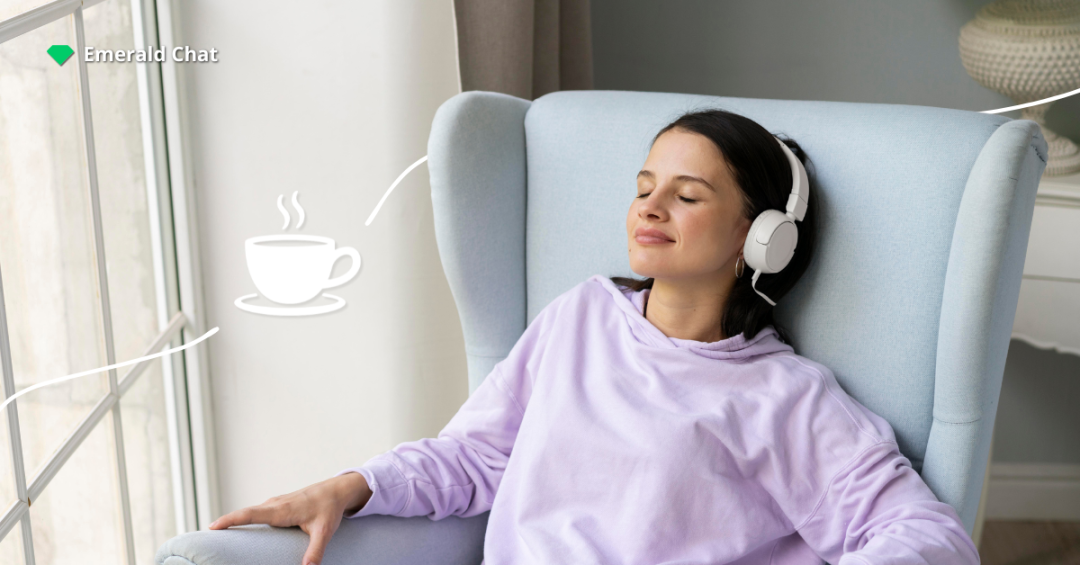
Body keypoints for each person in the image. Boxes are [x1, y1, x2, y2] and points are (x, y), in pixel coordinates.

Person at [209, 109, 981, 565]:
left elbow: (927, 533)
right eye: (644, 189)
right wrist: (351, 485)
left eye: (686, 195)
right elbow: (477, 453)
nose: (650, 208)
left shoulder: (786, 396)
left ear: (762, 236)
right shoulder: (581, 316)